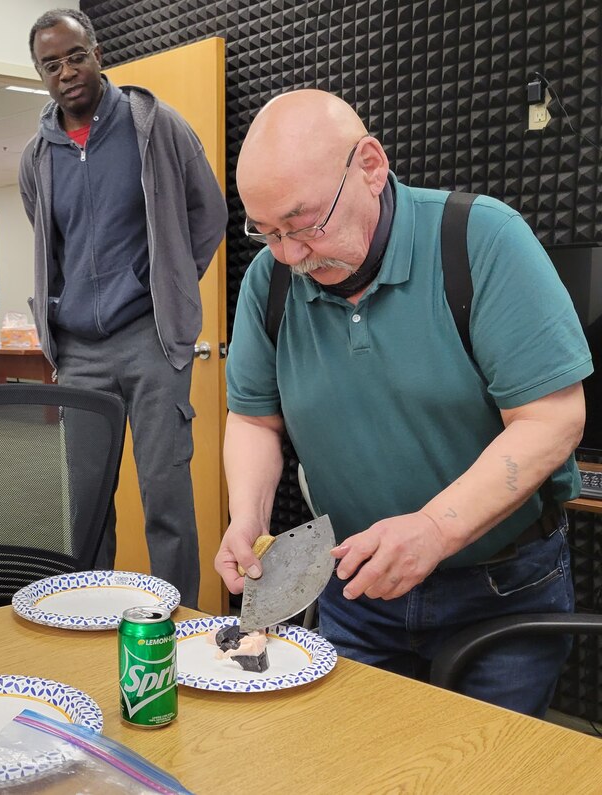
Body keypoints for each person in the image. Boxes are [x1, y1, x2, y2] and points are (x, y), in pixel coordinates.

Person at [216, 88, 592, 716]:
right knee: (349, 761)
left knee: (482, 774)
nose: (291, 254)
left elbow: (552, 419)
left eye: (306, 225)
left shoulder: (483, 241)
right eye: (268, 231)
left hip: (499, 587)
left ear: (370, 165)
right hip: (356, 586)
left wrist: (435, 530)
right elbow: (255, 417)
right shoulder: (273, 278)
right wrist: (247, 518)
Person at [19, 9, 227, 607]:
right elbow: (48, 239)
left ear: (97, 52)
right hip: (78, 352)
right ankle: (93, 619)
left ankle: (179, 621)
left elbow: (207, 214)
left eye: (75, 56)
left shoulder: (155, 125)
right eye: (51, 64)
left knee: (166, 496)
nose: (66, 72)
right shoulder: (37, 156)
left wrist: (168, 283)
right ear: (41, 74)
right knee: (87, 505)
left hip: (150, 340)